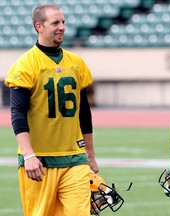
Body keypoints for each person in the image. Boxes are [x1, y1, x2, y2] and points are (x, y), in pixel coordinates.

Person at [4, 4, 98, 216]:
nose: (62, 27)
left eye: (63, 22)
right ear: (39, 26)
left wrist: (90, 154)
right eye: (55, 22)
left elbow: (84, 113)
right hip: (40, 161)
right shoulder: (25, 64)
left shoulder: (76, 63)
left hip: (75, 158)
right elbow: (17, 113)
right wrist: (28, 155)